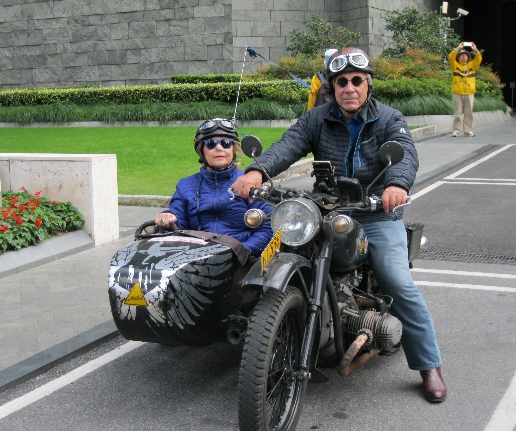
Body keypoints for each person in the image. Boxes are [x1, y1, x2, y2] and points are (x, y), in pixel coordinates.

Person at [232, 47, 447, 403]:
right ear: (332, 86)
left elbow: (404, 154)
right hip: (326, 208)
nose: (349, 88)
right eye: (341, 82)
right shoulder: (318, 118)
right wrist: (258, 170)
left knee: (398, 281)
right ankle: (273, 334)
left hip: (374, 212)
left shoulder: (389, 118)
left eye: (356, 81)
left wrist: (396, 185)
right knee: (274, 258)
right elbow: (289, 145)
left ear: (367, 84)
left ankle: (428, 365)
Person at [154, 118, 273, 258]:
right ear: (201, 151)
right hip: (197, 260)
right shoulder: (185, 185)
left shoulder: (249, 182)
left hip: (242, 261)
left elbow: (266, 229)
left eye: (226, 143)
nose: (219, 148)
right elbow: (176, 223)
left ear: (233, 149)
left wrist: (240, 252)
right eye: (211, 144)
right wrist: (167, 217)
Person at [449, 42, 482, 137]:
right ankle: (456, 130)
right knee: (458, 113)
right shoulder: (455, 66)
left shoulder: (472, 66)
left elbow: (479, 58)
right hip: (457, 93)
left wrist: (475, 49)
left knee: (469, 113)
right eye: (462, 55)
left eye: (465, 55)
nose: (464, 57)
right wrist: (458, 48)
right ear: (458, 57)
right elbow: (451, 57)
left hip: (470, 93)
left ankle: (468, 130)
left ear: (468, 57)